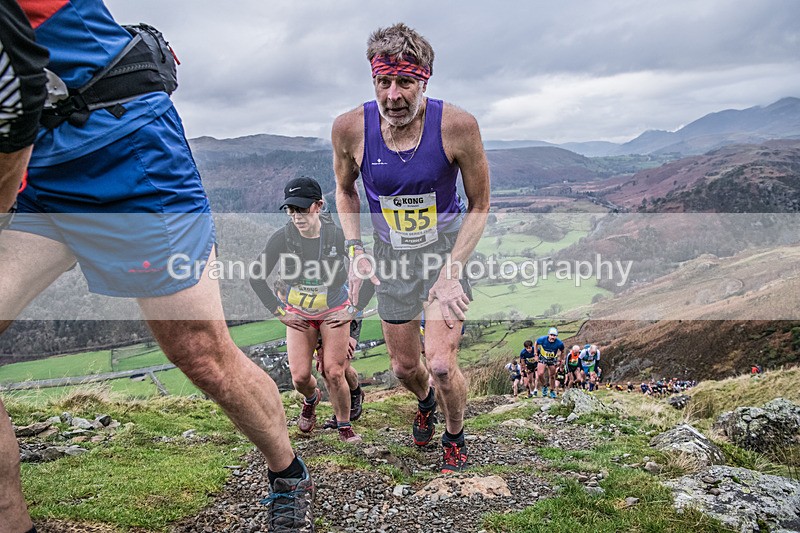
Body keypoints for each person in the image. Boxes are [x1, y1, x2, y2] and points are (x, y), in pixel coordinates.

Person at [0, 3, 313, 531]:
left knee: (200, 352)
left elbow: (18, 89)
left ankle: (288, 472)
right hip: (39, 165)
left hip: (126, 153)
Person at [332, 23, 490, 473]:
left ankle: (454, 434)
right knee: (405, 368)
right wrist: (354, 249)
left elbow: (480, 203)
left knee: (440, 364)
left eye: (405, 82)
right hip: (391, 256)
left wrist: (452, 270)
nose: (393, 95)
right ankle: (425, 402)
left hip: (445, 251)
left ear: (425, 81)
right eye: (384, 82)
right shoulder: (349, 129)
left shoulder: (457, 126)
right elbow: (345, 190)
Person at [249, 177, 374, 443]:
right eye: (291, 210)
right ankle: (311, 398)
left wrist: (353, 310)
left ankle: (344, 427)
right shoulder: (282, 239)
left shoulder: (337, 236)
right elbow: (256, 277)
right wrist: (280, 312)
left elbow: (370, 275)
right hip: (300, 315)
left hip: (334, 311)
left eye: (302, 209)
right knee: (300, 377)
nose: (297, 216)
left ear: (318, 206)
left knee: (334, 371)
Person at [534, 328, 565, 399]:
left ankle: (552, 390)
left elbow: (562, 351)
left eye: (554, 336)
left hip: (552, 359)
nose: (552, 337)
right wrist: (535, 354)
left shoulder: (559, 343)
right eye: (551, 335)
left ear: (556, 336)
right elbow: (536, 343)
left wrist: (561, 360)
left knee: (552, 375)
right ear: (548, 335)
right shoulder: (542, 339)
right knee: (540, 374)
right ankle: (544, 386)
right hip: (543, 357)